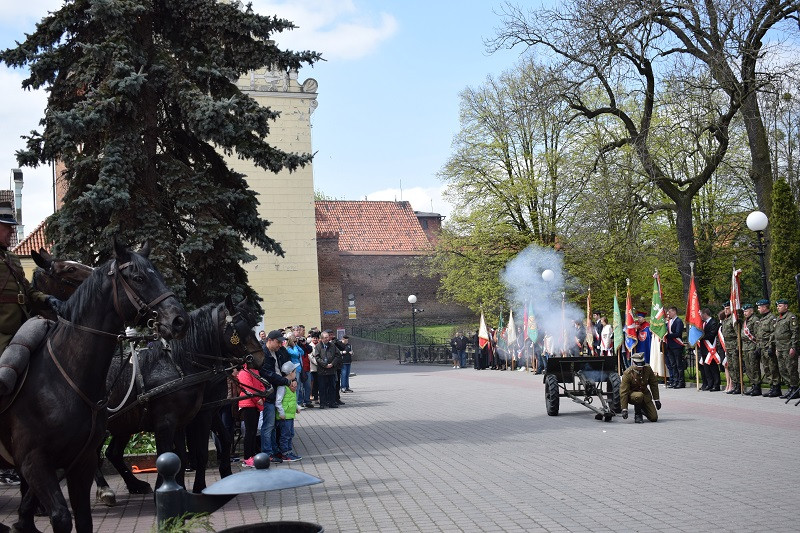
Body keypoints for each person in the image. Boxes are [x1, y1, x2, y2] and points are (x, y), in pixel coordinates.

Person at [258, 329, 297, 463]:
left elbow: (289, 364)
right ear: (269, 340)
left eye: (281, 342)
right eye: (278, 342)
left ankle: (276, 451)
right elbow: (268, 374)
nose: (280, 345)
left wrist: (293, 379)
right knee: (268, 426)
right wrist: (286, 381)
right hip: (269, 393)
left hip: (278, 391)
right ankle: (268, 452)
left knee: (275, 426)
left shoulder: (279, 351)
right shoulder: (263, 353)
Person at [620, 352, 661, 423]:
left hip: (645, 395)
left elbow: (653, 383)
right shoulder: (628, 373)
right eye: (638, 365)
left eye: (642, 364)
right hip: (632, 395)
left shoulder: (647, 369)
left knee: (654, 418)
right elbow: (624, 391)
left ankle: (643, 409)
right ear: (633, 363)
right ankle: (638, 414)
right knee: (639, 395)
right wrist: (624, 409)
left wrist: (657, 399)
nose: (640, 367)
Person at [237, 363, 265, 467]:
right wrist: (258, 399)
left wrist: (262, 397)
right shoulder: (244, 373)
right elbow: (248, 389)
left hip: (255, 404)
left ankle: (252, 455)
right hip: (247, 404)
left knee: (254, 432)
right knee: (249, 432)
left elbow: (261, 386)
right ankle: (247, 457)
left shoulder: (256, 371)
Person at [275, 361, 302, 462]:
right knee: (285, 435)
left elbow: (292, 399)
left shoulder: (290, 385)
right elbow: (278, 401)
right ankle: (285, 453)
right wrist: (281, 412)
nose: (295, 374)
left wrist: (296, 407)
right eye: (295, 371)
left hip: (290, 415)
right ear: (291, 373)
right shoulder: (283, 386)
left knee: (290, 434)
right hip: (284, 416)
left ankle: (289, 452)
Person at [773, 298, 799, 399]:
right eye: (777, 306)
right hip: (780, 348)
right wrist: (776, 348)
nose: (778, 308)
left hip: (788, 347)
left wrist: (793, 347)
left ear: (786, 306)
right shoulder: (779, 318)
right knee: (782, 369)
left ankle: (795, 389)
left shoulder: (791, 317)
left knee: (791, 368)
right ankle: (790, 387)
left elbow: (795, 333)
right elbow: (776, 334)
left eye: (780, 306)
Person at [756, 299, 781, 397]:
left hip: (768, 347)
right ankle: (771, 387)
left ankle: (776, 387)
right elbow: (759, 335)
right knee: (766, 368)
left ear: (764, 307)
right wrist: (758, 347)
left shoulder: (772, 318)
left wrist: (771, 346)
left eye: (759, 307)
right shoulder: (762, 319)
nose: (758, 309)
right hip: (762, 347)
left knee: (773, 367)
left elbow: (773, 333)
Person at [312, 330, 342, 408]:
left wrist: (332, 364)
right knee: (322, 388)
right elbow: (317, 357)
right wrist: (325, 365)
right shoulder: (318, 346)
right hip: (322, 371)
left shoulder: (332, 345)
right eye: (325, 337)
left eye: (328, 337)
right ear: (321, 339)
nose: (327, 339)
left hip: (331, 370)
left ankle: (332, 402)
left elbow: (338, 355)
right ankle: (323, 403)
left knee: (332, 387)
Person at [741, 304, 761, 396]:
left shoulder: (755, 320)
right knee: (748, 368)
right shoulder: (746, 321)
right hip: (745, 347)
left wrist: (758, 347)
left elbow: (758, 335)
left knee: (754, 367)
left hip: (752, 346)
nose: (744, 313)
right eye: (744, 311)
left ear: (751, 311)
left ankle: (757, 387)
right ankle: (753, 385)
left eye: (746, 311)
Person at [698, 308, 721, 391]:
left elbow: (712, 334)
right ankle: (709, 383)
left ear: (705, 314)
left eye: (700, 314)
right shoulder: (704, 323)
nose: (700, 316)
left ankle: (716, 384)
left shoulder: (713, 322)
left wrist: (700, 336)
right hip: (704, 348)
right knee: (706, 367)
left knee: (713, 367)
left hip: (711, 348)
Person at [664, 306, 685, 388]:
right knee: (673, 365)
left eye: (670, 312)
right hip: (670, 345)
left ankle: (681, 381)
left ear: (674, 312)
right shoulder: (669, 322)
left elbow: (677, 333)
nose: (668, 313)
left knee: (678, 364)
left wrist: (667, 336)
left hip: (676, 345)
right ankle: (675, 381)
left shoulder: (678, 321)